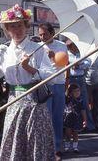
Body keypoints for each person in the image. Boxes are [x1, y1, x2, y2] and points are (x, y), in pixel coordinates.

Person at [0, 4, 55, 161]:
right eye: (12, 27)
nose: (16, 30)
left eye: (19, 25)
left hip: (35, 103)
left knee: (35, 142)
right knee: (14, 142)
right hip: (14, 101)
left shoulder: (37, 48)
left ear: (26, 26)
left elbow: (51, 76)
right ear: (7, 30)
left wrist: (29, 68)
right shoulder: (3, 50)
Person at [38, 22, 68, 157]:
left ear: (52, 33)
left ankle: (57, 147)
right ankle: (46, 147)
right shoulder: (38, 47)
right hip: (45, 85)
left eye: (45, 34)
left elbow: (64, 64)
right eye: (40, 35)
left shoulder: (61, 46)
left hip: (59, 84)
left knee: (57, 117)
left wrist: (52, 57)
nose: (42, 37)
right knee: (45, 117)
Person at [66, 39, 95, 131]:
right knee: (71, 103)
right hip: (70, 79)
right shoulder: (66, 53)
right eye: (70, 46)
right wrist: (71, 65)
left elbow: (88, 63)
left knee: (84, 101)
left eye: (72, 45)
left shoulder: (82, 53)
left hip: (80, 78)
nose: (71, 47)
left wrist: (78, 65)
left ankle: (89, 125)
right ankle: (73, 125)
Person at [63, 83, 87, 154]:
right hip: (68, 118)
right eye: (75, 91)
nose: (77, 92)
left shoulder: (81, 101)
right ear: (71, 93)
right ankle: (66, 147)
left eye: (78, 91)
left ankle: (75, 147)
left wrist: (85, 120)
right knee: (68, 133)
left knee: (75, 133)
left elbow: (83, 111)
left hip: (77, 119)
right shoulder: (67, 100)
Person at [85, 53, 98, 130]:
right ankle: (89, 124)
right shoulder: (86, 54)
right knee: (87, 104)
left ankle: (97, 123)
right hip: (87, 82)